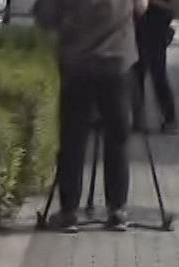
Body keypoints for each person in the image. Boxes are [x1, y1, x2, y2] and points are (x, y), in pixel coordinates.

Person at [37, 0, 147, 232]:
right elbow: (142, 7)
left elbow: (46, 17)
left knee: (73, 138)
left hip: (77, 63)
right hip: (117, 62)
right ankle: (117, 210)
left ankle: (69, 212)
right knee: (117, 138)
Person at [134, 0, 179, 133]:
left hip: (155, 25)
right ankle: (138, 118)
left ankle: (170, 118)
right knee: (138, 73)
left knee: (157, 73)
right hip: (139, 25)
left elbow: (171, 9)